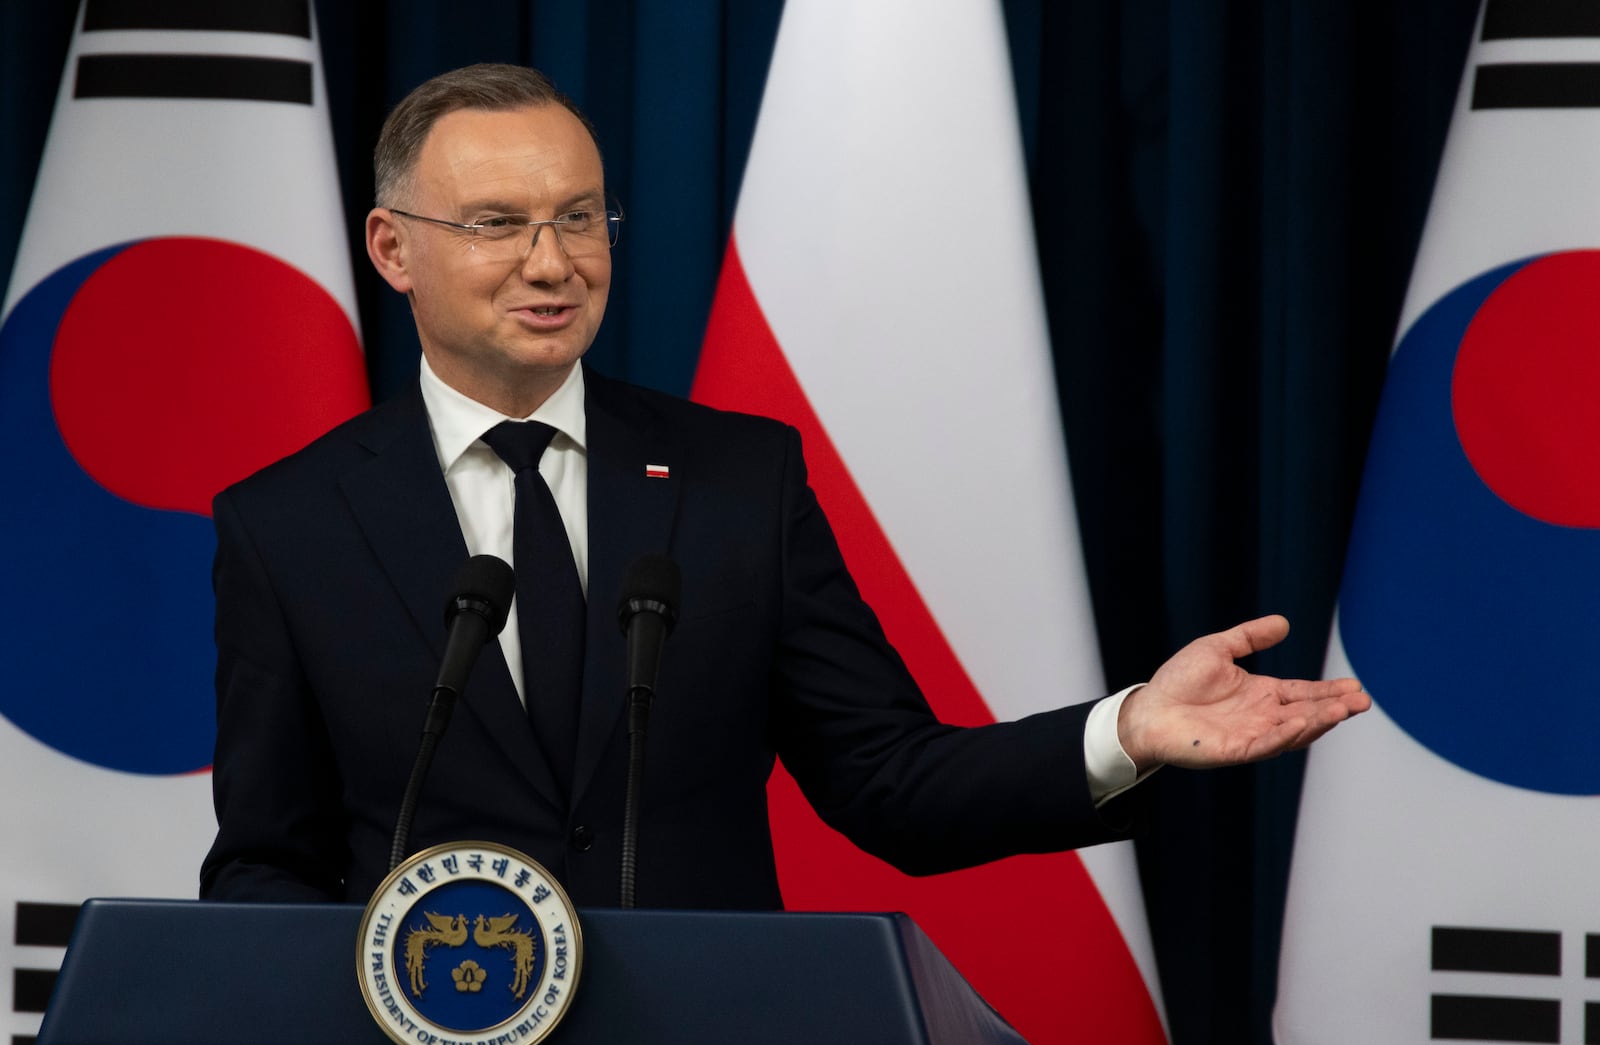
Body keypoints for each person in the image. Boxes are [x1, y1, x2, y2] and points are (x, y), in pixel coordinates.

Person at [199, 64, 1368, 907]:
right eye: (497, 224)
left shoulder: (734, 480)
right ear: (393, 247)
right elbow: (267, 859)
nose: (552, 262)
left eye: (578, 217)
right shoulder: (288, 524)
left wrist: (1129, 731)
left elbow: (890, 782)